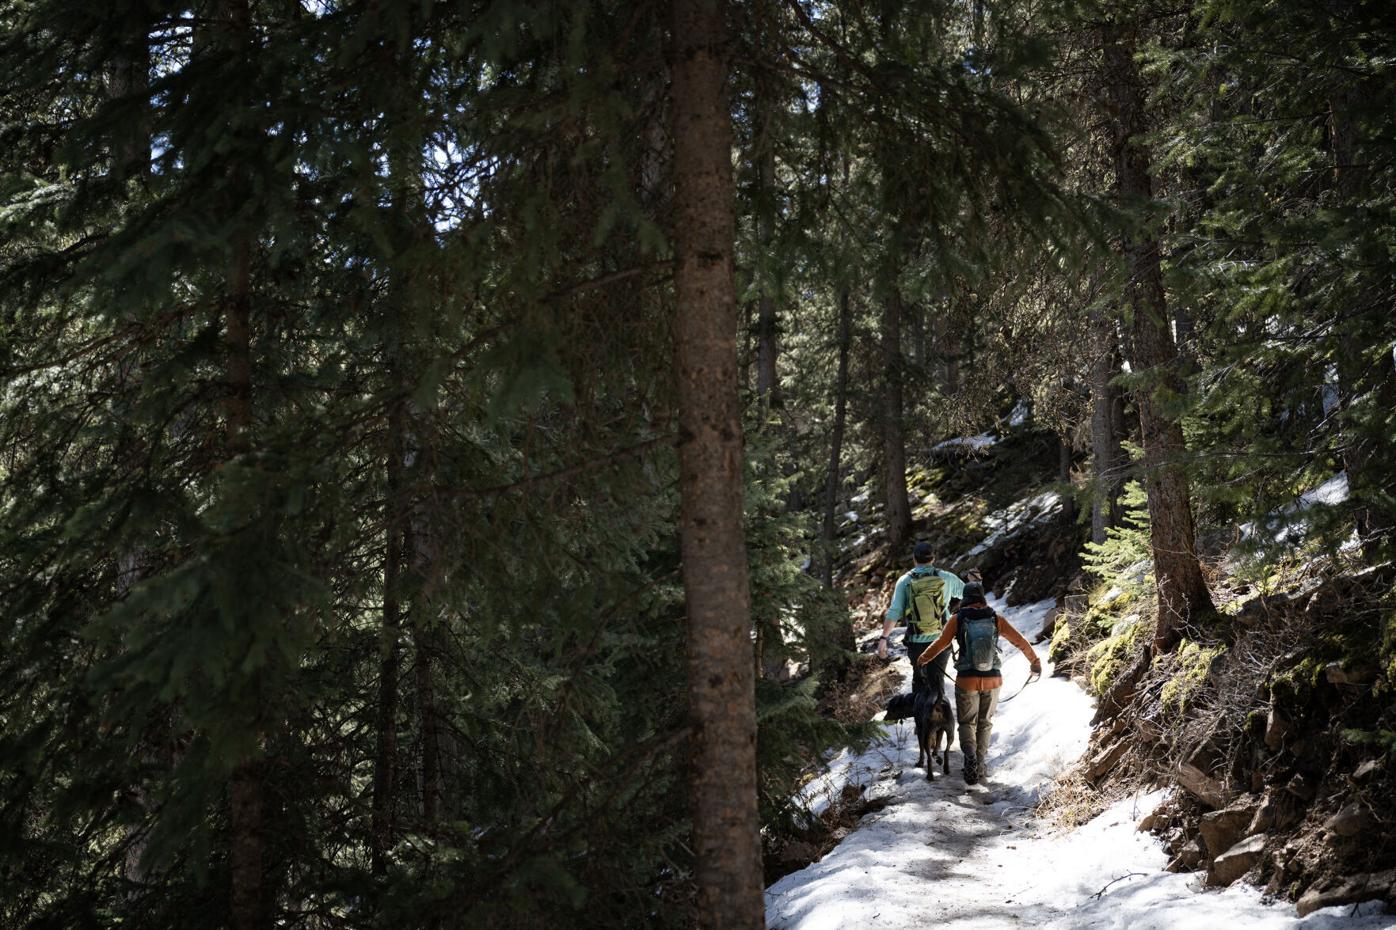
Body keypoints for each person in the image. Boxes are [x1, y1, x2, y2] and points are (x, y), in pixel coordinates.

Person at [914, 582, 1041, 784]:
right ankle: (980, 762)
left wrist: (923, 658)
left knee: (967, 722)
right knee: (985, 723)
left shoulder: (957, 619)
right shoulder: (995, 618)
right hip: (993, 679)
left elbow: (941, 643)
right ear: (982, 598)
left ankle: (970, 756)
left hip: (967, 680)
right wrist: (1034, 661)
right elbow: (1019, 640)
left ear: (965, 598)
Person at [880, 541, 964, 703]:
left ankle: (923, 724)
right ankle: (939, 720)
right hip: (941, 640)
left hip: (916, 642)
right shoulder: (946, 578)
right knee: (937, 684)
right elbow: (970, 594)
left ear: (914, 559)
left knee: (920, 683)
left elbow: (894, 612)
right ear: (933, 558)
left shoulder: (905, 581)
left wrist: (884, 638)